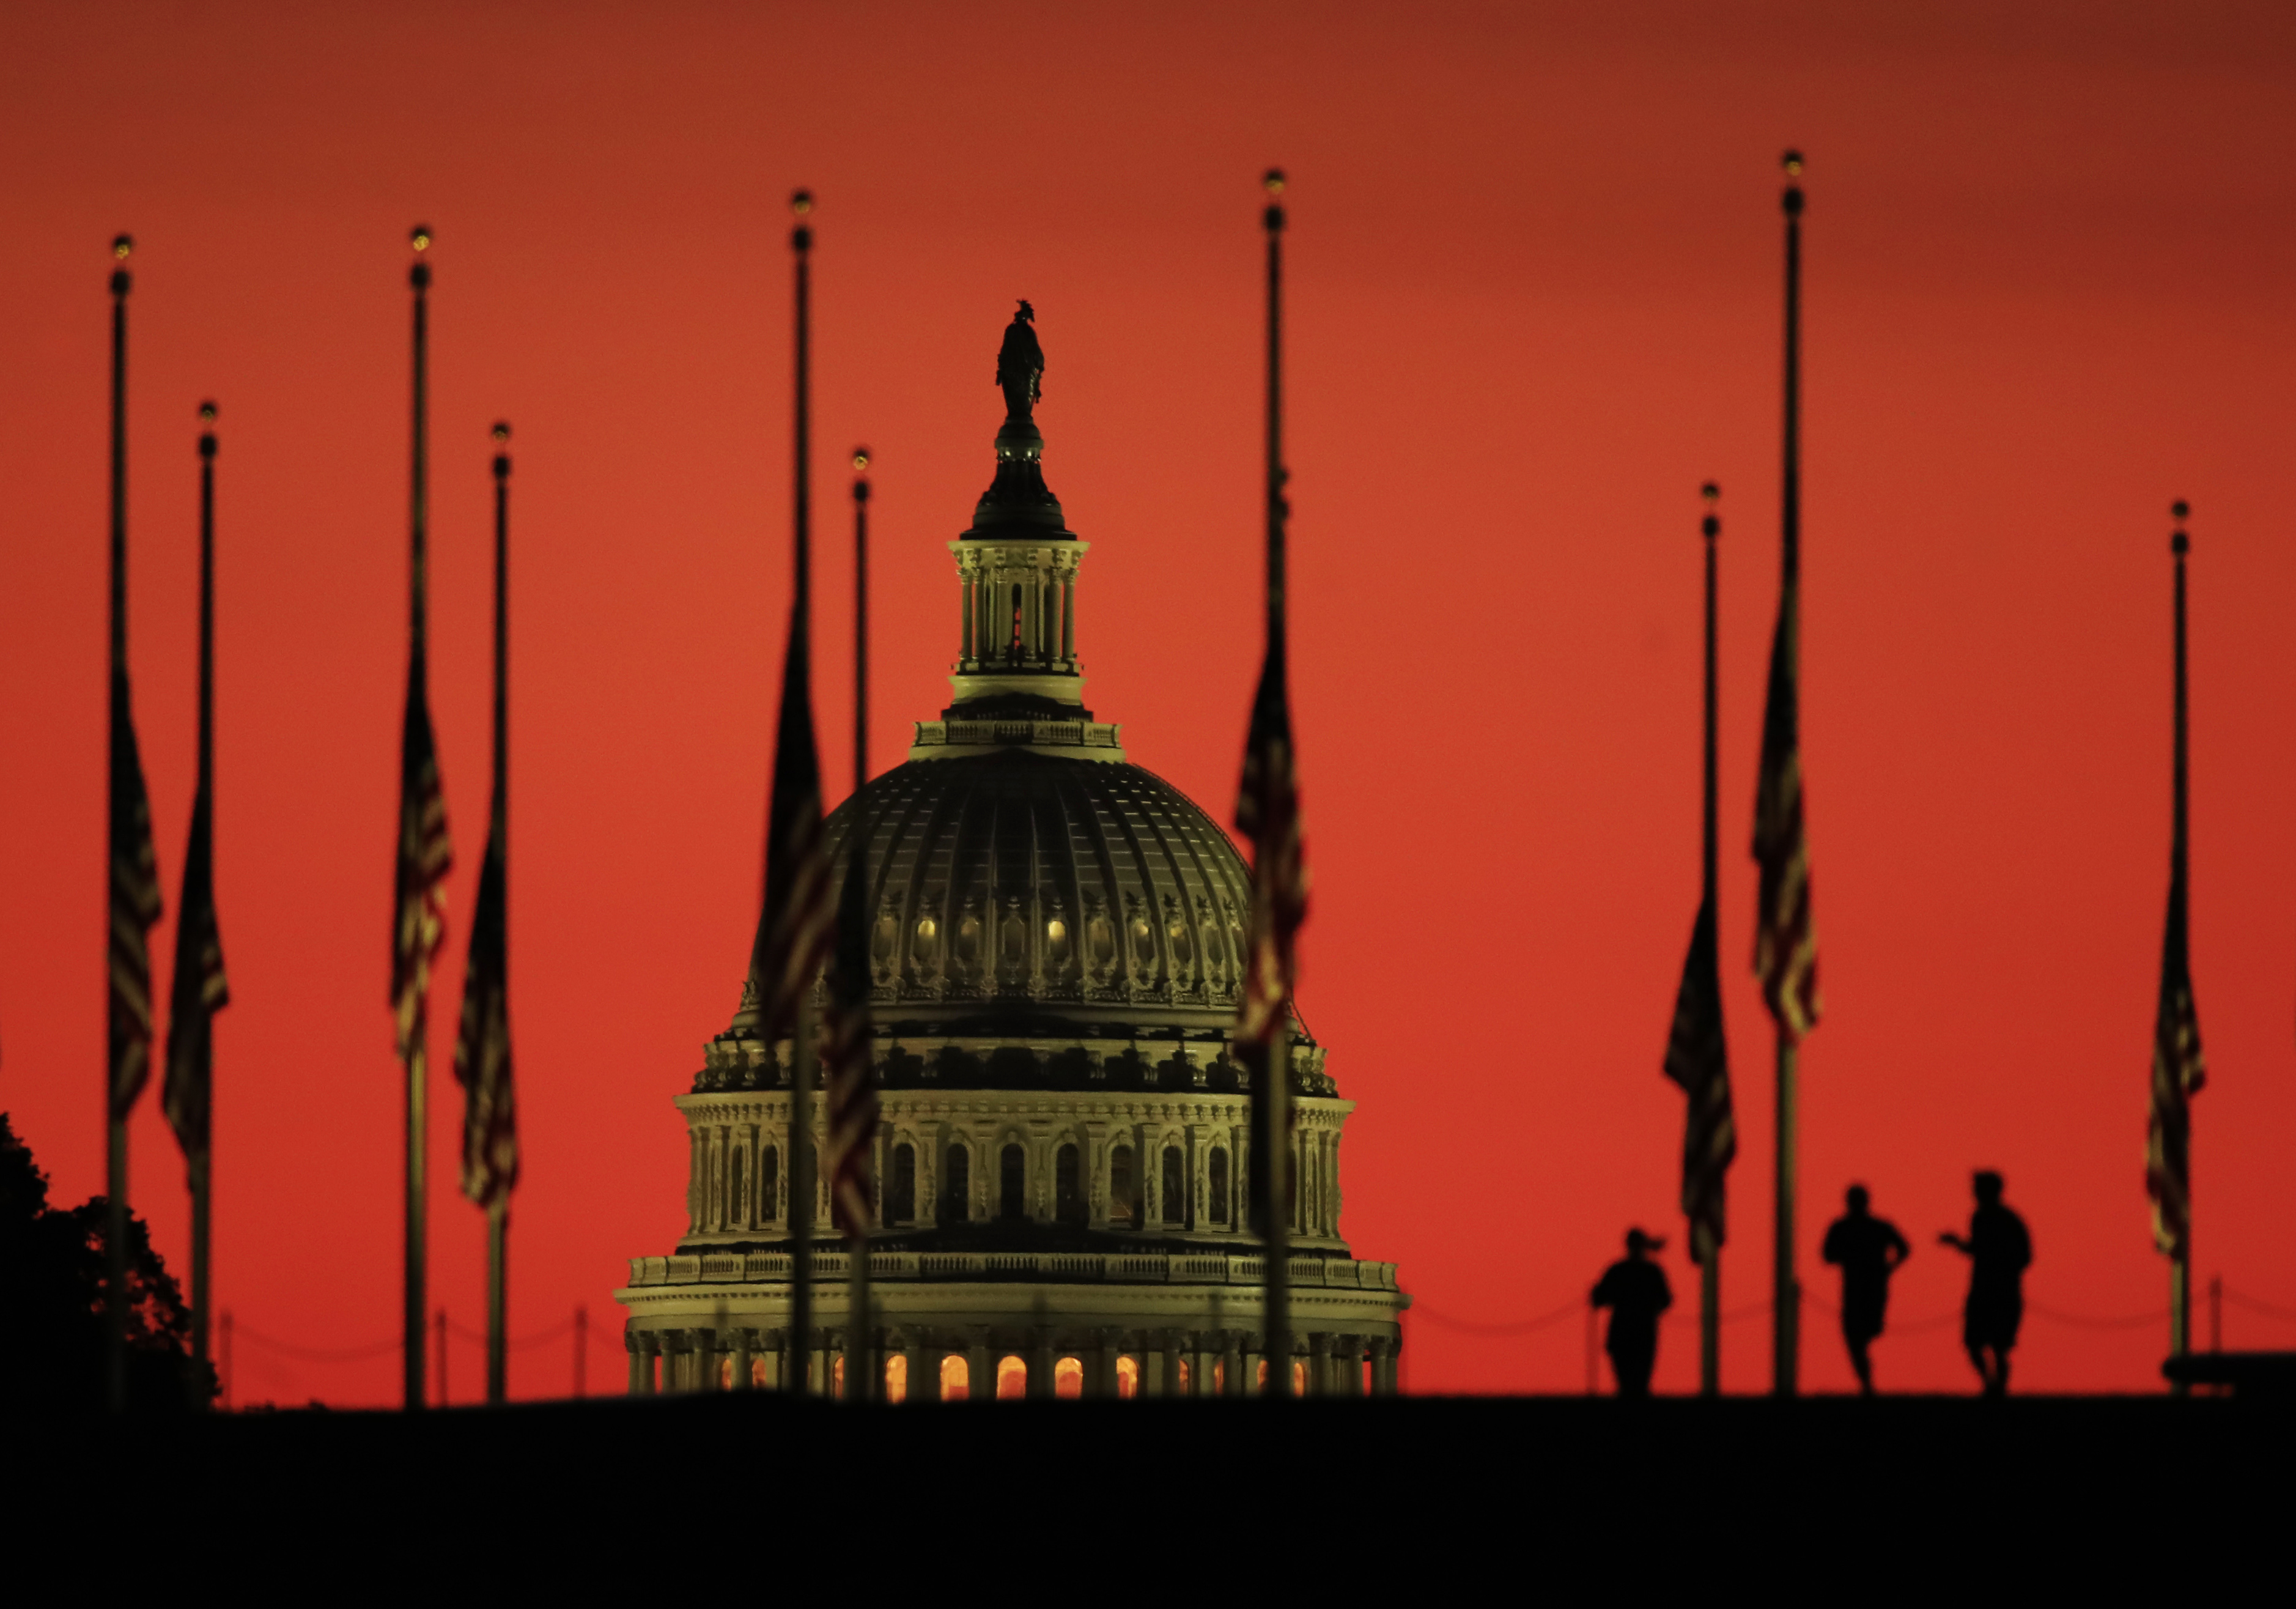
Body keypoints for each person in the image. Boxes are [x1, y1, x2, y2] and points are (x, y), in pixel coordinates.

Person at [1938, 1170, 2032, 1396]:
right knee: (1979, 1343)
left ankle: (1996, 1387)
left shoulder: (1995, 1218)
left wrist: (1959, 1244)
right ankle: (1993, 1386)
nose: (1974, 1193)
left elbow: (2021, 1255)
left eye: (1977, 1188)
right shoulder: (1994, 1217)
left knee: (1994, 1344)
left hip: (1996, 1289)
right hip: (1989, 1288)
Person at [1821, 1184, 1911, 1395]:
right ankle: (1867, 1384)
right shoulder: (1873, 1227)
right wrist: (1888, 1267)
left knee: (1861, 1334)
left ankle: (1867, 1383)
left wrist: (1888, 1267)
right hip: (1866, 1286)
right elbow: (1828, 1255)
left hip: (1865, 1286)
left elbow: (1904, 1249)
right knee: (1857, 1336)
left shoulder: (1848, 1227)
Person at [1590, 1228, 1674, 1397]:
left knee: (1626, 1385)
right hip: (1644, 1335)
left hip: (1622, 1335)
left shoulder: (1618, 1271)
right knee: (1640, 1385)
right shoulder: (1652, 1271)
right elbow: (1666, 1301)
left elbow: (1598, 1299)